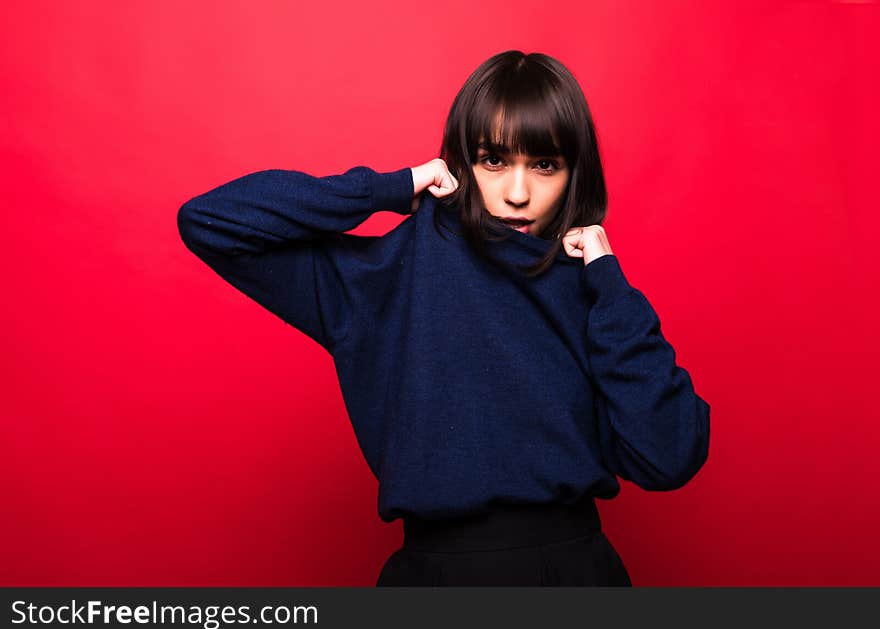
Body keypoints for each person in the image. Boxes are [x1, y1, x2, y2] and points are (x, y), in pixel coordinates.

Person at [177, 50, 711, 586]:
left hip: (576, 574)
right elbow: (210, 221)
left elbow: (669, 456)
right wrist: (388, 187)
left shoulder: (589, 286)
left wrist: (610, 283)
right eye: (494, 162)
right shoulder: (392, 272)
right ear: (460, 162)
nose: (518, 194)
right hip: (435, 577)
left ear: (574, 173)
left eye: (545, 165)